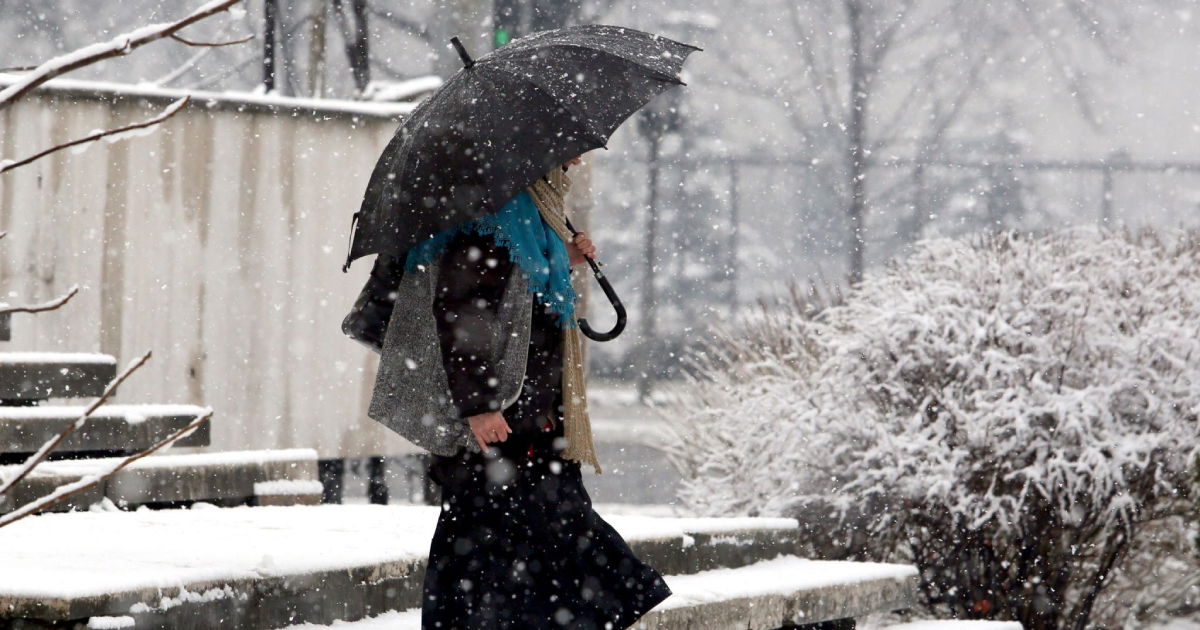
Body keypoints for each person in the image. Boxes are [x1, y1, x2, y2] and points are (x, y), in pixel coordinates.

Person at [416, 154, 673, 629]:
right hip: (505, 422)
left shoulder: (531, 220)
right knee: (511, 546)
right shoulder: (489, 221)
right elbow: (461, 316)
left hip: (535, 418)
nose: (575, 158)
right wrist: (479, 407)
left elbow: (522, 300)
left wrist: (564, 256)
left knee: (520, 550)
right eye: (566, 149)